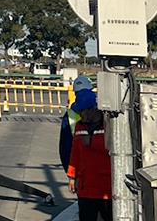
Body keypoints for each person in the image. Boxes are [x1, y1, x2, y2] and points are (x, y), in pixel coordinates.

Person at [68, 88, 112, 221]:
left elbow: (115, 148)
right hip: (85, 188)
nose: (79, 114)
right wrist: (72, 176)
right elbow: (75, 152)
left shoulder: (109, 125)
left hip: (106, 189)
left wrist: (92, 141)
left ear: (92, 109)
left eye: (82, 111)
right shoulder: (79, 126)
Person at [59, 75, 93, 173]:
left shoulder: (69, 115)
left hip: (80, 168)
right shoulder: (100, 113)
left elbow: (65, 150)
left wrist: (70, 173)